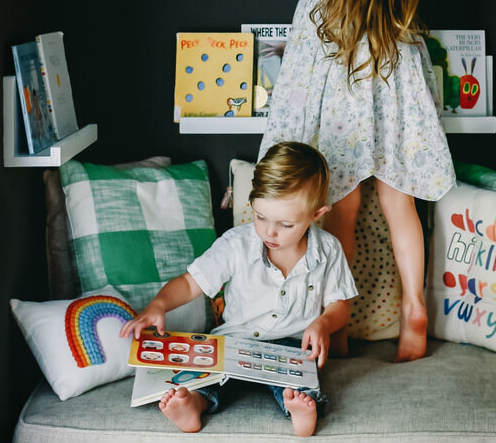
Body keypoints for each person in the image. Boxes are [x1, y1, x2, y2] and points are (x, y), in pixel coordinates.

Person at [227, 0, 458, 363]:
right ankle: (415, 314)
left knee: (344, 205)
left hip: (334, 91)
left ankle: (341, 323)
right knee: (398, 200)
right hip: (390, 79)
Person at [120, 141, 357, 437]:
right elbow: (191, 282)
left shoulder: (328, 250)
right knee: (203, 376)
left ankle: (300, 410)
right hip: (233, 341)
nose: (270, 232)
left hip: (291, 348)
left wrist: (323, 323)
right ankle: (194, 404)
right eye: (260, 217)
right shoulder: (237, 244)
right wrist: (158, 305)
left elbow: (340, 305)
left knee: (302, 385)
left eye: (285, 224)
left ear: (316, 214)